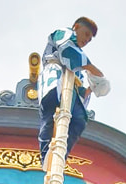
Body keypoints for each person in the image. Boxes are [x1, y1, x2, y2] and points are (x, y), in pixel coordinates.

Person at [37, 16, 109, 168]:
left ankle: (61, 155)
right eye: (86, 34)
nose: (86, 40)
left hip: (71, 91)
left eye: (89, 39)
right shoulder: (63, 34)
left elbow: (81, 88)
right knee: (50, 113)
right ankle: (46, 155)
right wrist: (93, 70)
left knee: (79, 119)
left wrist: (92, 88)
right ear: (76, 27)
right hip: (55, 76)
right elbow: (67, 51)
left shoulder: (80, 66)